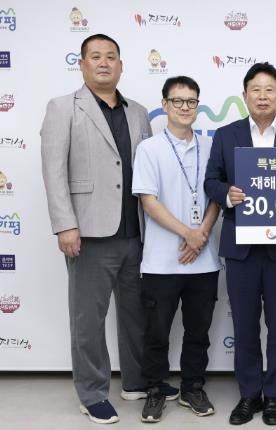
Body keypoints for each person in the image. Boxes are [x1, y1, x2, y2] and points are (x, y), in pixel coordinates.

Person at [40, 33, 178, 424]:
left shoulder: (138, 112)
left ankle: (136, 382)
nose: (104, 62)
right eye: (96, 56)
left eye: (111, 57)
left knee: (136, 315)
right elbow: (53, 171)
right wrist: (65, 224)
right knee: (88, 319)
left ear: (121, 65)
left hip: (135, 233)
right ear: (82, 64)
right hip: (88, 233)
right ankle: (92, 392)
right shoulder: (62, 108)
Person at [204, 62, 276, 426]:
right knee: (245, 326)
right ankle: (249, 394)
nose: (263, 96)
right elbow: (211, 181)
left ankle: (273, 395)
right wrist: (228, 194)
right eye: (256, 90)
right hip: (241, 248)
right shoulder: (226, 135)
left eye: (270, 90)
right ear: (245, 95)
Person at [132, 76, 224, 423]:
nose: (185, 107)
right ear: (165, 104)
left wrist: (202, 234)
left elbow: (216, 196)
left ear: (197, 106)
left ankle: (192, 388)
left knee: (198, 333)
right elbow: (148, 201)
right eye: (178, 101)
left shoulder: (211, 146)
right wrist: (188, 234)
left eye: (191, 101)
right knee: (156, 334)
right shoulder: (149, 149)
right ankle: (155, 390)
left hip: (204, 261)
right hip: (161, 262)